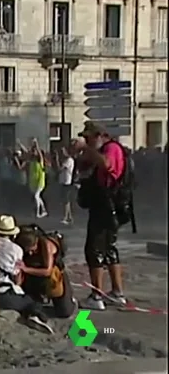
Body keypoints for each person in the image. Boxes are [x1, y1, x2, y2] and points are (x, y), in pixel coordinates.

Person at [76, 122, 130, 310]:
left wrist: (87, 150)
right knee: (108, 249)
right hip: (106, 206)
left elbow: (106, 164)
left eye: (89, 138)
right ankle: (116, 292)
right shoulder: (104, 149)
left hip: (106, 206)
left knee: (95, 250)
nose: (88, 142)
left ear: (100, 135)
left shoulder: (112, 149)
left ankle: (96, 295)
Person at [0, 215, 54, 334]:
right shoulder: (15, 250)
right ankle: (33, 316)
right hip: (3, 295)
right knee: (32, 301)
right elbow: (17, 280)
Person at [15, 225, 76, 318]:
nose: (30, 253)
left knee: (65, 312)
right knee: (29, 307)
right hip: (33, 278)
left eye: (33, 250)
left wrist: (26, 269)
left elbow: (47, 271)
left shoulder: (46, 245)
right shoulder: (19, 246)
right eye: (28, 251)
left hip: (53, 277)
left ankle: (70, 300)